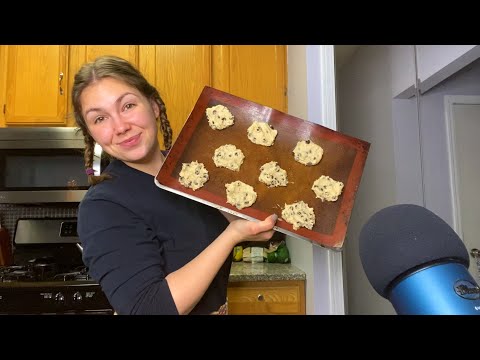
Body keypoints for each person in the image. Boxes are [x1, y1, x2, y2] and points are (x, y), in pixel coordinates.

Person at [72, 55, 277, 315]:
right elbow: (148, 309)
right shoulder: (104, 206)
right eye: (100, 119)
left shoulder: (191, 170)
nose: (121, 126)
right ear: (91, 133)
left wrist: (243, 217)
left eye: (127, 106)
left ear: (154, 106)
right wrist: (233, 235)